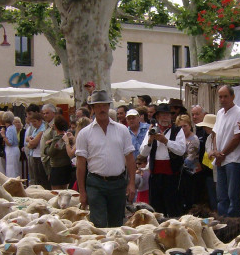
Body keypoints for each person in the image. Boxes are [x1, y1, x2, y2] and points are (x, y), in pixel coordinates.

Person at [76, 90, 136, 227]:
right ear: (92, 109)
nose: (101, 109)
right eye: (98, 106)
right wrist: (82, 191)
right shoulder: (84, 133)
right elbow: (81, 165)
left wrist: (131, 183)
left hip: (118, 183)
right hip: (95, 183)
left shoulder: (122, 130)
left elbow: (130, 158)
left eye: (104, 105)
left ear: (109, 107)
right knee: (98, 224)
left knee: (117, 224)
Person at [138, 103, 186, 217]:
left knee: (173, 205)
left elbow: (181, 150)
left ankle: (173, 230)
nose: (165, 118)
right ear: (157, 117)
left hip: (172, 175)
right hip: (155, 175)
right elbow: (143, 153)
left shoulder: (177, 130)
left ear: (171, 117)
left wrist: (166, 141)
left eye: (167, 115)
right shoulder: (152, 130)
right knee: (156, 208)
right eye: (162, 115)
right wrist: (150, 140)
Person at [209, 85, 240, 217]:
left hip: (233, 159)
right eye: (220, 96)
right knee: (221, 196)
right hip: (221, 158)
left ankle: (233, 224)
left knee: (233, 196)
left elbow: (237, 137)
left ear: (232, 97)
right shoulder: (220, 113)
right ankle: (222, 223)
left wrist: (222, 154)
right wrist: (215, 151)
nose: (223, 99)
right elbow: (215, 133)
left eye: (226, 96)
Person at [177, 113, 201, 212]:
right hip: (182, 172)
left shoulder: (194, 139)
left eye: (185, 126)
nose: (183, 128)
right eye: (180, 126)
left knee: (191, 198)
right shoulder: (179, 138)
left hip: (192, 172)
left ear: (190, 125)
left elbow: (190, 158)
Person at [46, 115, 73, 189]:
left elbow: (51, 153)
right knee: (65, 189)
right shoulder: (67, 136)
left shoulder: (57, 139)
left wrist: (46, 147)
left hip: (57, 168)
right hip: (66, 166)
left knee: (56, 193)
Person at [40, 104, 58, 188]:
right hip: (44, 158)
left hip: (50, 159)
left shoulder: (55, 125)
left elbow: (57, 140)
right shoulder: (47, 125)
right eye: (44, 113)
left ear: (53, 113)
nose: (45, 115)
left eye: (47, 113)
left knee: (51, 186)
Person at [0, 111, 21, 178]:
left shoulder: (9, 129)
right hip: (14, 149)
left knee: (11, 170)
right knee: (14, 169)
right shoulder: (13, 127)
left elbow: (10, 143)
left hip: (11, 150)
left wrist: (3, 135)